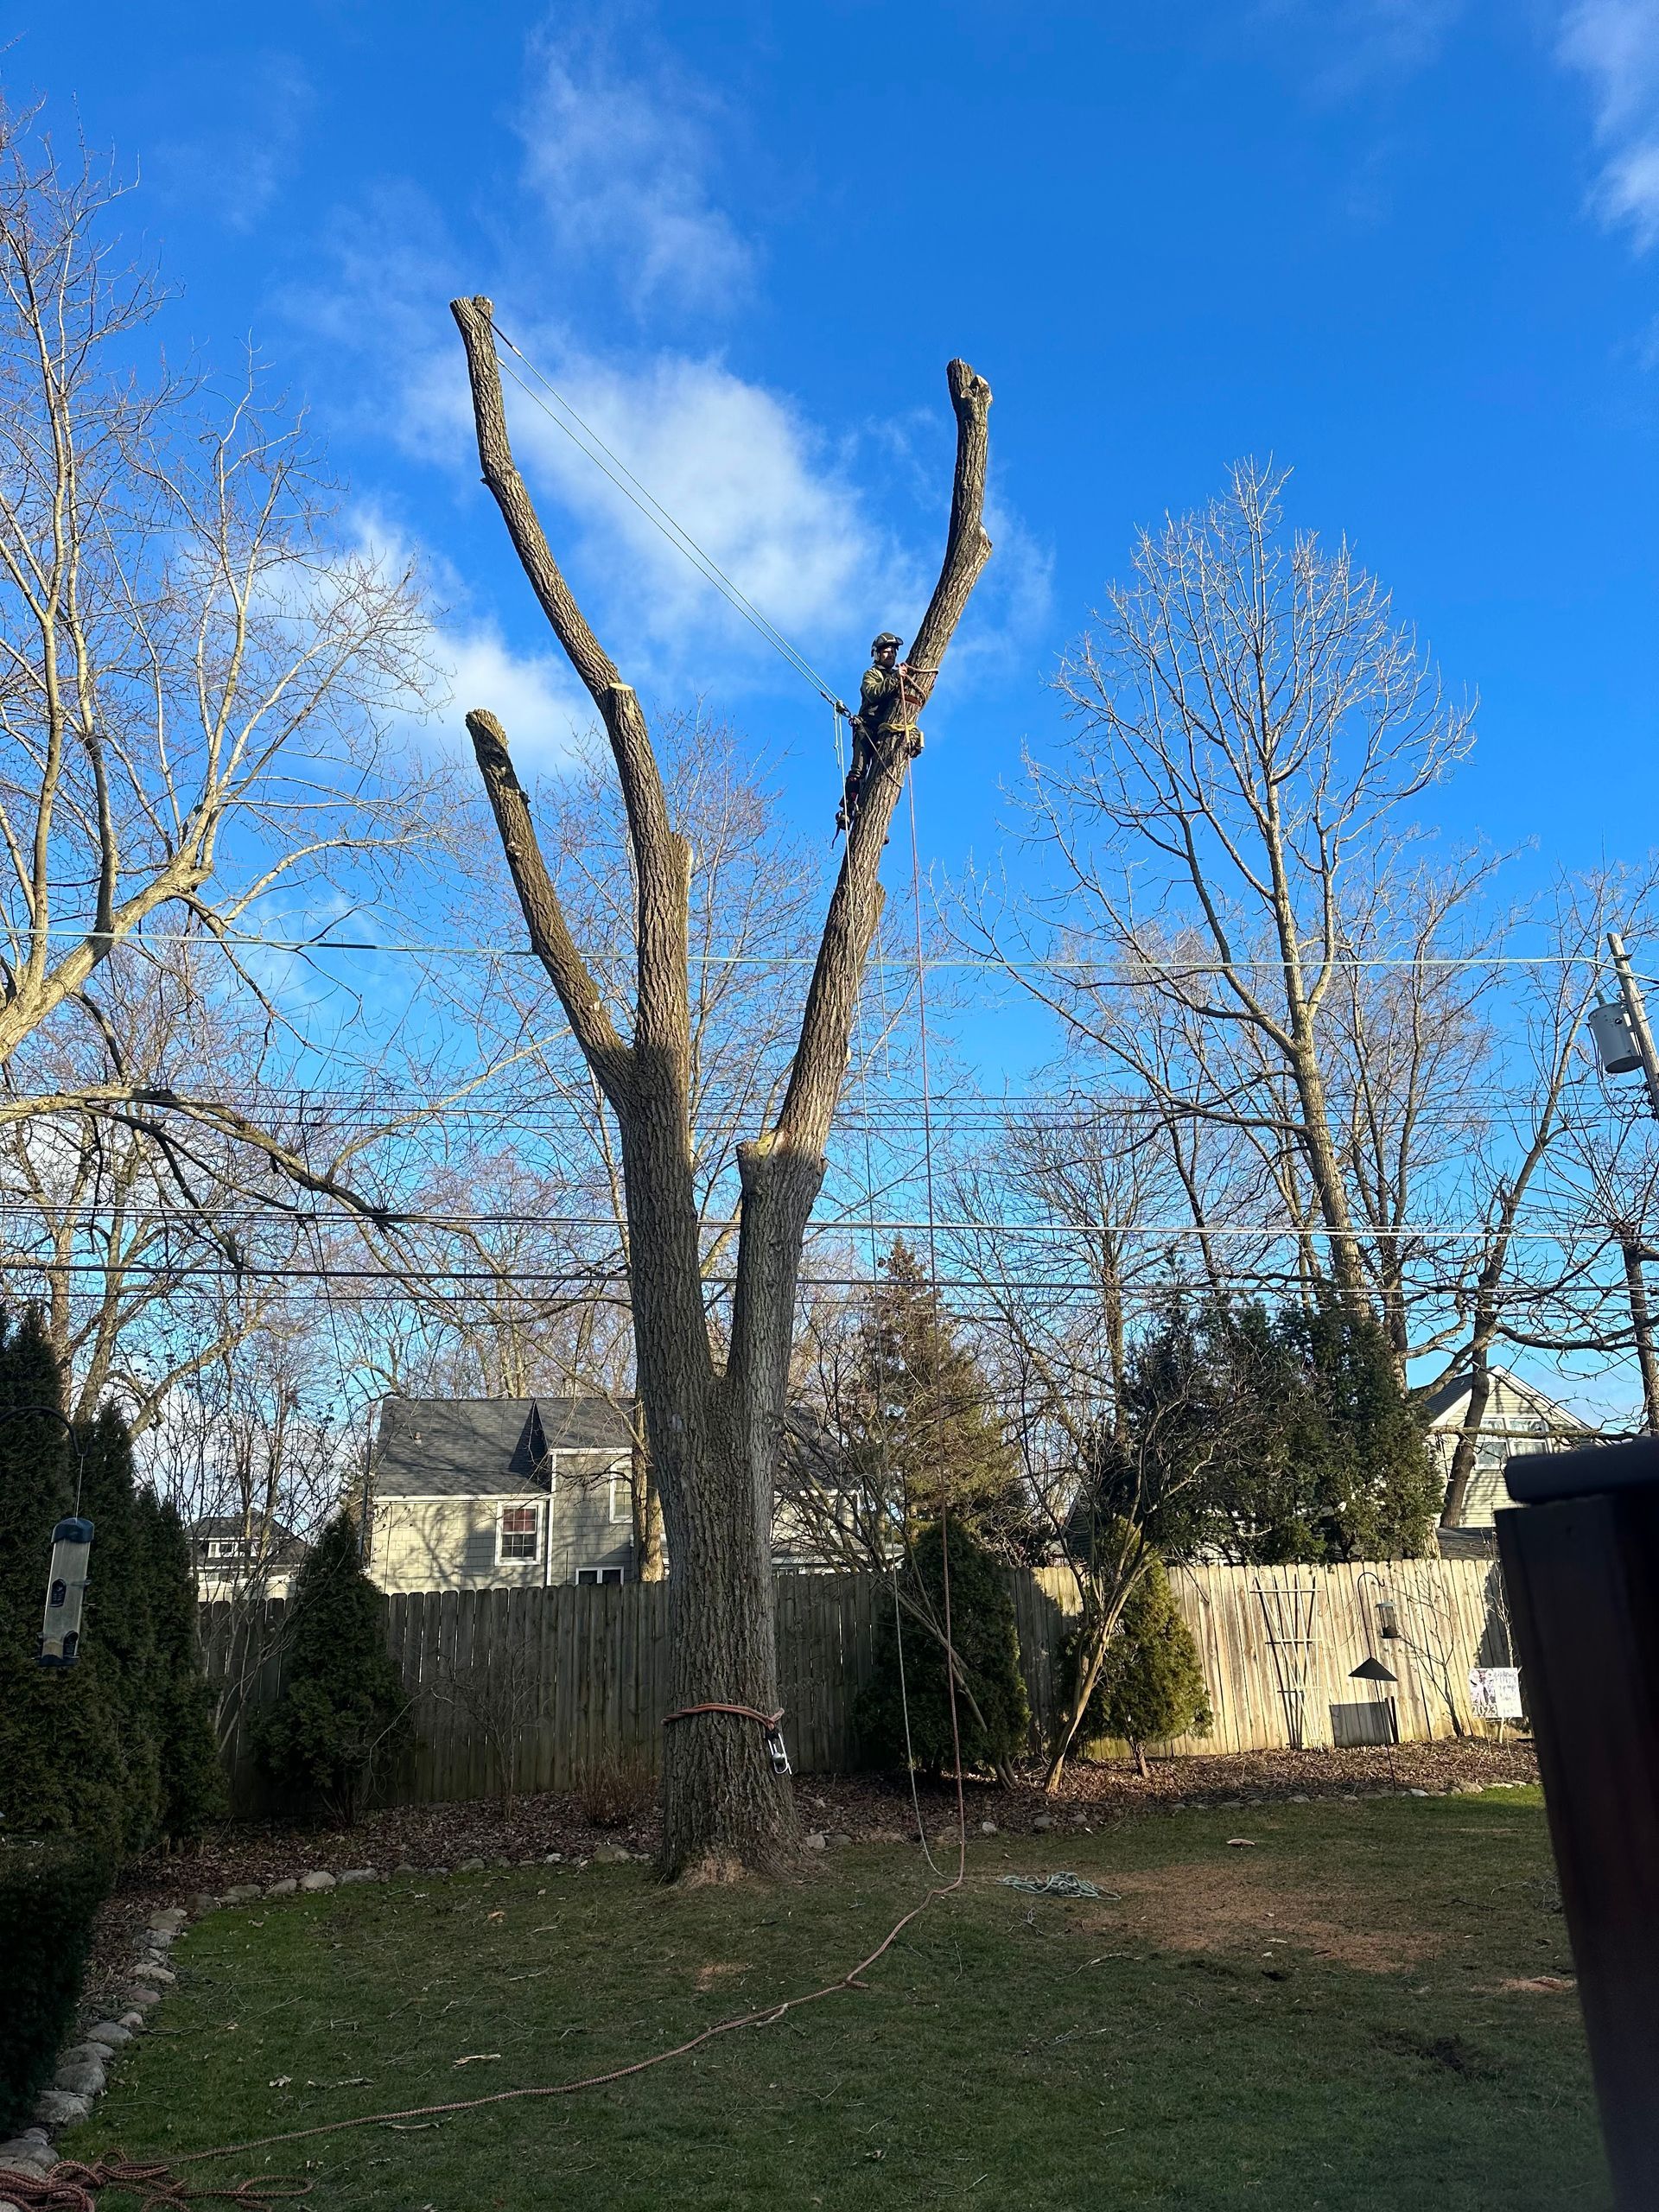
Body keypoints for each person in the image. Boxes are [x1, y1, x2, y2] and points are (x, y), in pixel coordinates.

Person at [838, 632, 925, 834]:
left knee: (888, 774)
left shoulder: (897, 677)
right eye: (886, 652)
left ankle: (879, 820)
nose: (891, 655)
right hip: (867, 727)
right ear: (877, 654)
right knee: (858, 770)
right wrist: (896, 678)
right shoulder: (872, 674)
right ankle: (849, 808)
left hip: (886, 732)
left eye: (893, 652)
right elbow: (873, 693)